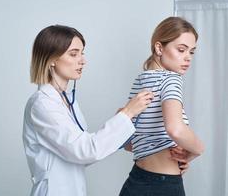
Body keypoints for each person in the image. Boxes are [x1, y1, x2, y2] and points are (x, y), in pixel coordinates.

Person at [22, 25, 154, 196]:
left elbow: (82, 151)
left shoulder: (67, 99)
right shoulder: (42, 104)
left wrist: (121, 129)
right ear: (51, 58)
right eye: (74, 54)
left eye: (82, 53)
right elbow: (85, 151)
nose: (83, 60)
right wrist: (126, 114)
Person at [119, 17, 205, 196]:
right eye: (181, 50)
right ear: (159, 48)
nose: (187, 58)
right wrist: (196, 151)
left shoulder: (141, 81)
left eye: (191, 52)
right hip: (164, 186)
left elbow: (128, 143)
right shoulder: (171, 79)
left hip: (135, 181)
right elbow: (176, 129)